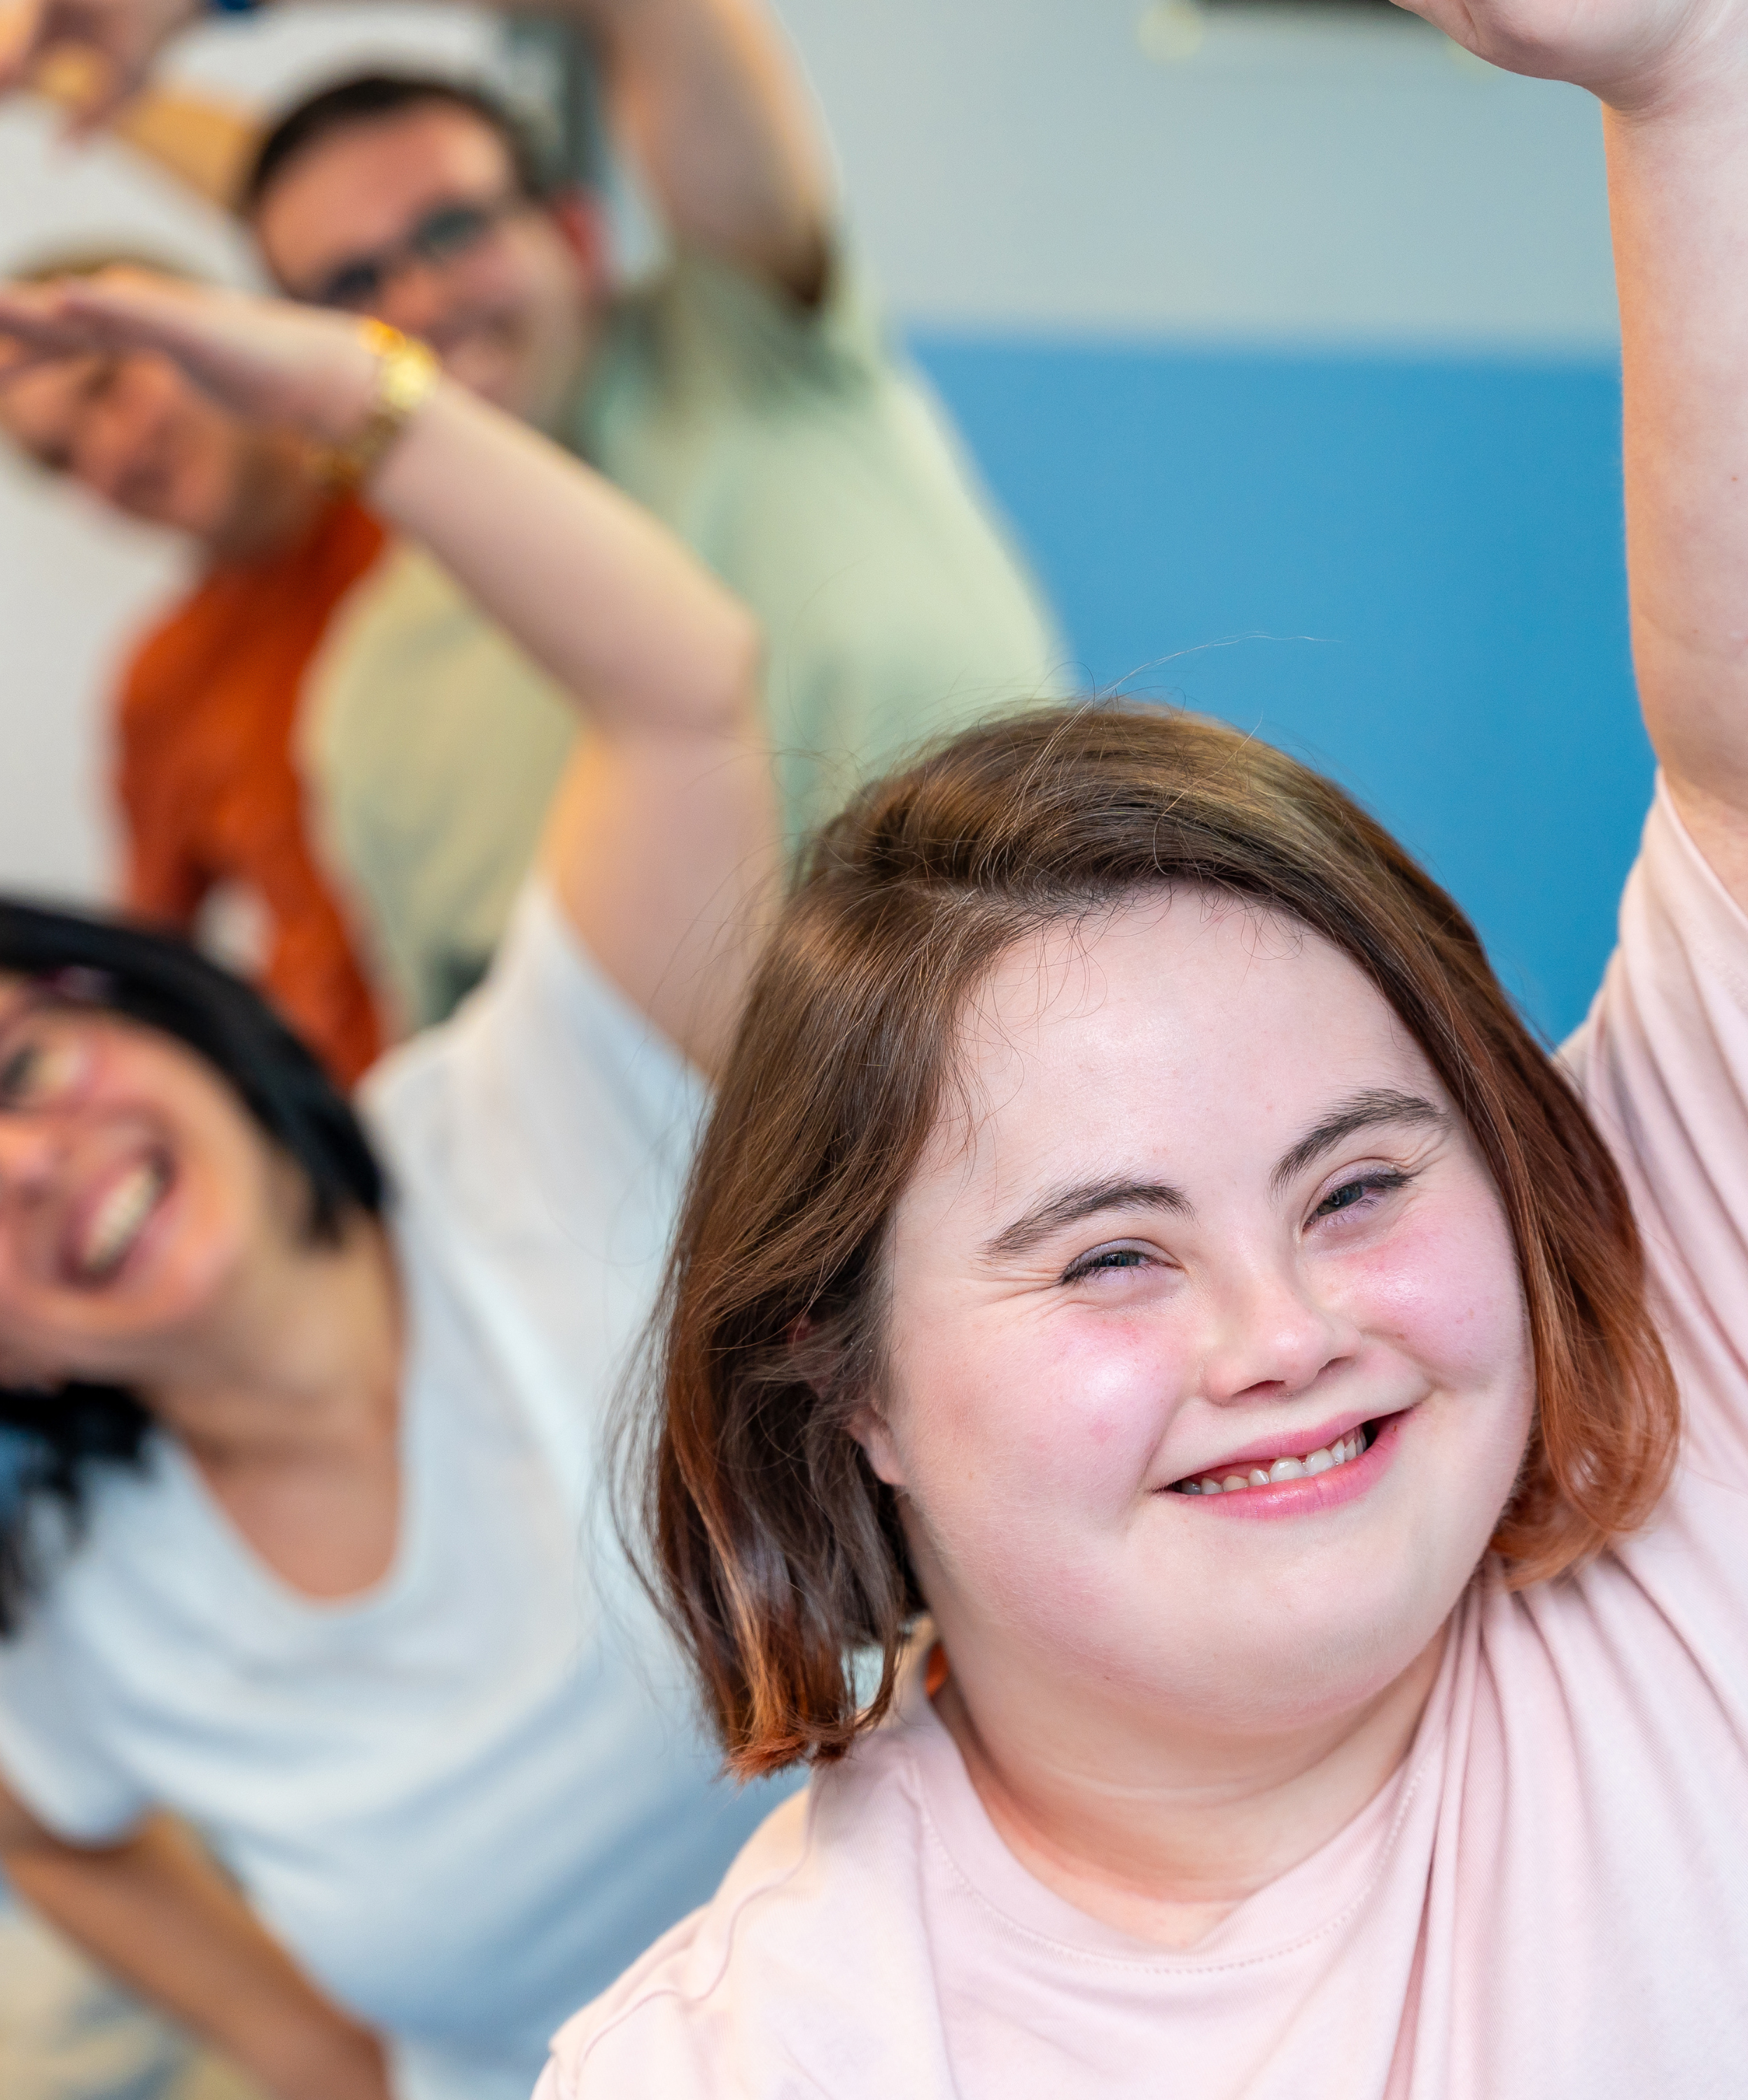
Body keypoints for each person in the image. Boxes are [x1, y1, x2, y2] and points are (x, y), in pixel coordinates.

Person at [537, 1, 1748, 2094]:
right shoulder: (755, 2060)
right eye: (1109, 1252)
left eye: (1359, 1184)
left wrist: (1703, 56)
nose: (1281, 1331)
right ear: (847, 1379)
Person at [0, 269, 793, 2100]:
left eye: (26, 1072)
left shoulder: (546, 1103)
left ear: (164, 1014)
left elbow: (685, 688)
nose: (35, 1173)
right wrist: (317, 2061)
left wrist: (360, 397)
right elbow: (49, 1833)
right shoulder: (72, 1599)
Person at [8, 0, 1068, 1030]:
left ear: (575, 229)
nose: (419, 301)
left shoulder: (749, 356)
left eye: (454, 230)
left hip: (1075, 1027)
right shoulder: (368, 711)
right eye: (352, 283)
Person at [0, 259, 390, 1086]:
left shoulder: (423, 485)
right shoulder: (163, 682)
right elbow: (145, 972)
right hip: (373, 1112)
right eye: (61, 458)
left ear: (212, 331)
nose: (111, 455)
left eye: (108, 387)